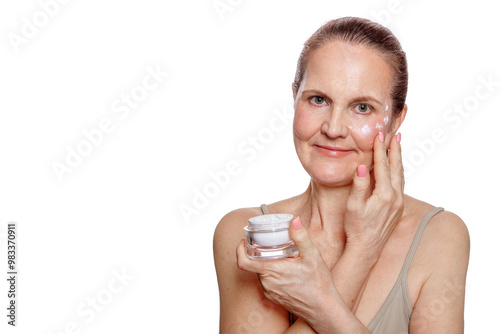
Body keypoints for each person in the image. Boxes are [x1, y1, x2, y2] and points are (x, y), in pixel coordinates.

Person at [213, 16, 469, 333]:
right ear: (295, 97)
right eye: (318, 100)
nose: (333, 129)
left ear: (396, 120)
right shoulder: (250, 232)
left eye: (362, 107)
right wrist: (362, 251)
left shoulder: (440, 236)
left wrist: (318, 302)